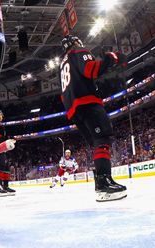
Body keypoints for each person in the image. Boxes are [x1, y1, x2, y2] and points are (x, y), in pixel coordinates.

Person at [59, 35, 127, 202]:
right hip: (87, 102)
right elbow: (91, 69)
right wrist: (112, 58)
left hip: (74, 110)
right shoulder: (78, 51)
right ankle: (104, 184)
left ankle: (101, 182)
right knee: (102, 139)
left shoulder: (61, 65)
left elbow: (62, 95)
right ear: (75, 42)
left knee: (97, 144)